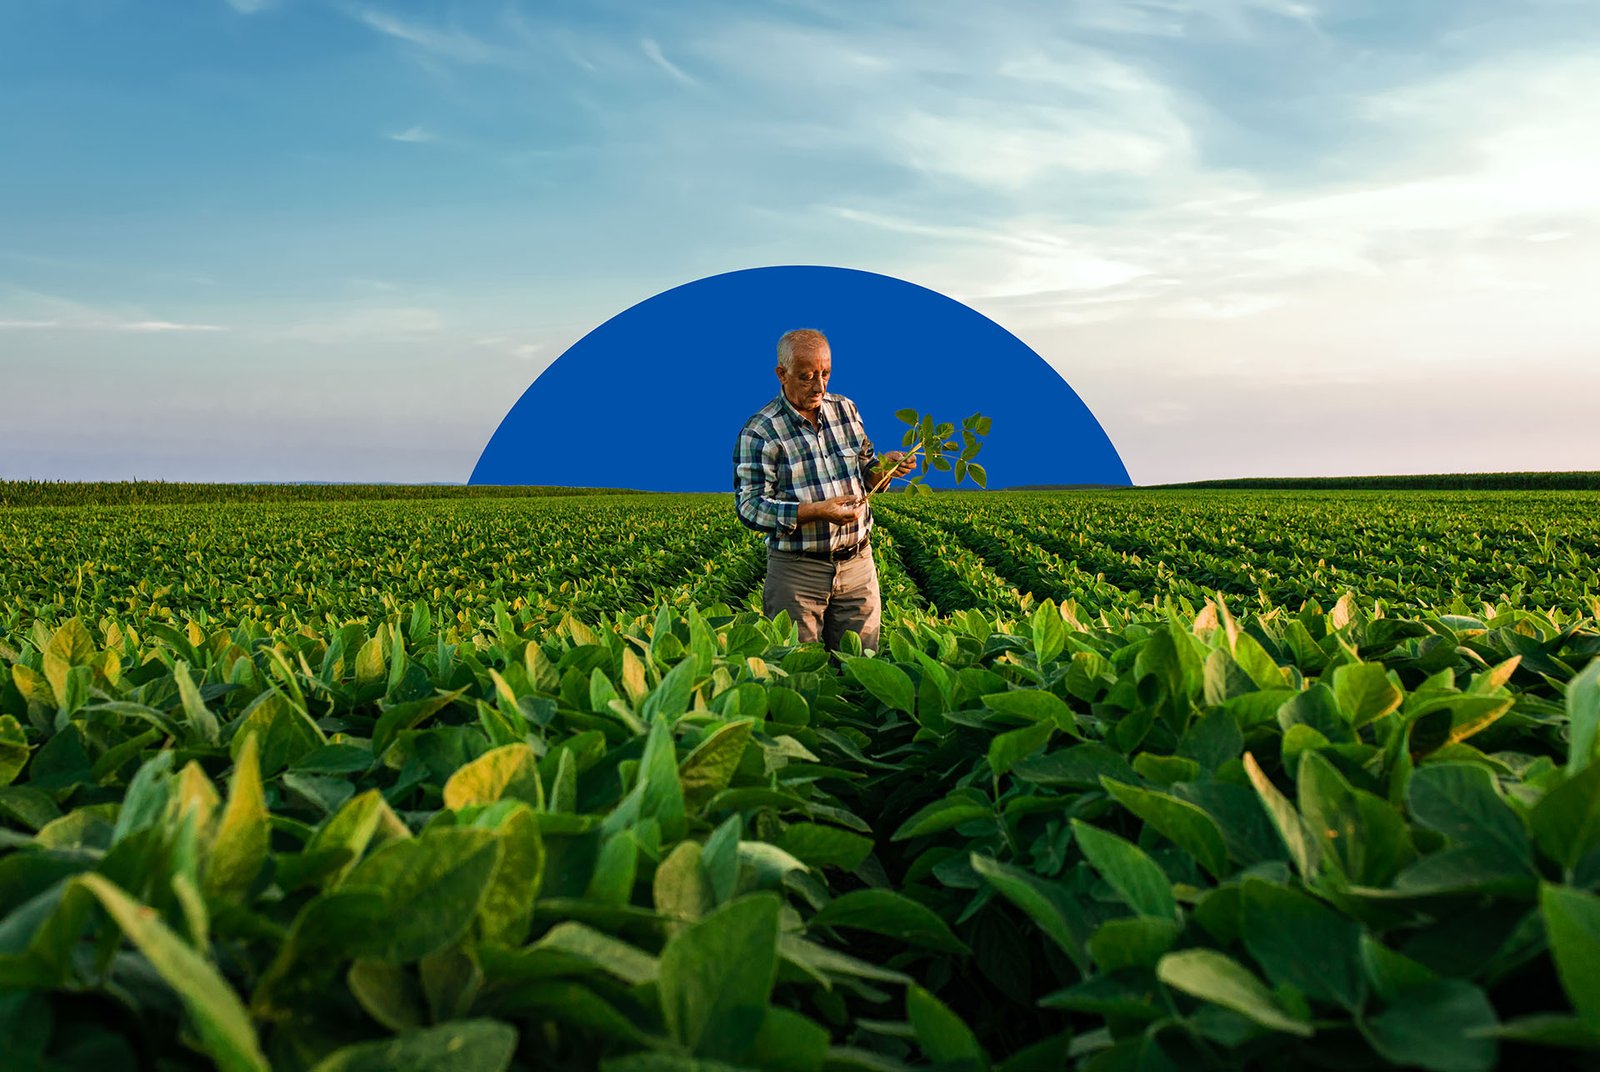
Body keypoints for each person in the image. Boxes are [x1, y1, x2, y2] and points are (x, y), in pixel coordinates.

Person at [733, 328, 915, 652]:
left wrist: (884, 470)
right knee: (797, 669)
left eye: (825, 373)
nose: (819, 386)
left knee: (862, 667)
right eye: (806, 376)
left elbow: (865, 469)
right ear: (781, 374)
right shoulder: (760, 430)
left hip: (858, 564)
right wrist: (816, 511)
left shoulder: (846, 409)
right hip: (797, 572)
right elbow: (749, 506)